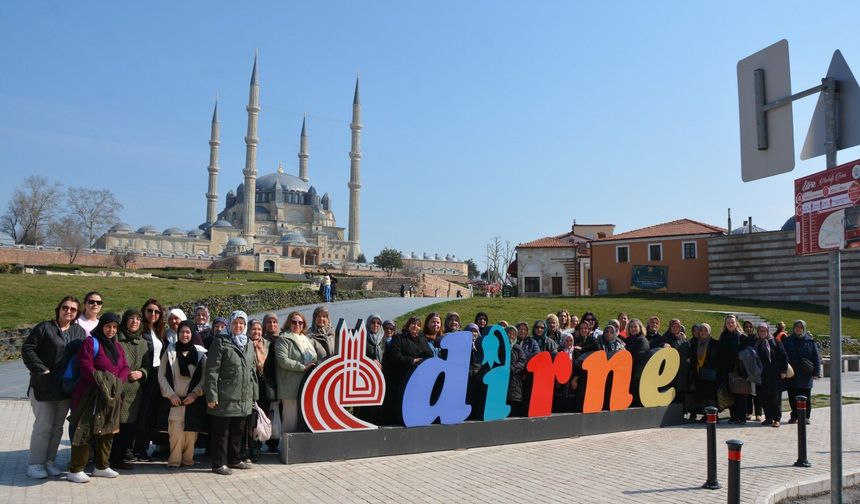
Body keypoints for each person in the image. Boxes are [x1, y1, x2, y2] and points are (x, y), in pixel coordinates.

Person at [22, 295, 86, 479]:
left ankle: (49, 461)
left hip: (65, 388)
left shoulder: (78, 332)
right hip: (43, 386)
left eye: (73, 309)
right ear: (58, 309)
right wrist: (40, 369)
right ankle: (35, 463)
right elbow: (28, 348)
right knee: (43, 426)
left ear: (77, 313)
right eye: (65, 307)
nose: (69, 311)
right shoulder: (44, 328)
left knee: (57, 427)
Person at [67, 313, 129, 483]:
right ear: (101, 326)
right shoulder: (91, 342)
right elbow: (86, 365)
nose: (111, 330)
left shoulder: (117, 347)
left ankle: (101, 466)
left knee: (108, 429)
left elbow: (124, 367)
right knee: (85, 429)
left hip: (111, 395)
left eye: (115, 327)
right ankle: (76, 469)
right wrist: (103, 381)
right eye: (108, 326)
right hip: (91, 394)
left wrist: (117, 383)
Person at [204, 310, 258, 475]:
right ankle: (218, 463)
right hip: (224, 396)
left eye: (241, 323)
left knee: (238, 431)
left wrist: (254, 396)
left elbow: (252, 371)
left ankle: (234, 460)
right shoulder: (221, 341)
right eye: (235, 323)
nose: (238, 326)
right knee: (222, 432)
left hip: (243, 396)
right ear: (230, 324)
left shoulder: (248, 343)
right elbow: (212, 371)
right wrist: (211, 396)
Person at [158, 320, 207, 468]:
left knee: (191, 434)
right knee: (176, 433)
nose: (184, 335)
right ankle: (174, 461)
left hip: (192, 401)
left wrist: (195, 393)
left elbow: (205, 378)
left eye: (188, 332)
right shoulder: (170, 350)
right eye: (182, 332)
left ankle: (187, 460)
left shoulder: (200, 353)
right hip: (175, 400)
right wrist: (170, 394)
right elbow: (161, 375)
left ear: (192, 334)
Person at [109, 308, 153, 470]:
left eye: (138, 319)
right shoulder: (115, 340)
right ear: (125, 321)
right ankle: (105, 459)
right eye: (131, 318)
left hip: (134, 392)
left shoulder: (142, 343)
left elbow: (147, 366)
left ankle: (119, 459)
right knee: (113, 426)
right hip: (117, 389)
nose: (134, 322)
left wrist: (141, 373)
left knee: (128, 427)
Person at [382, 316, 433, 425]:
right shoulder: (399, 338)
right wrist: (412, 360)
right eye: (413, 324)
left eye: (418, 325)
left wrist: (422, 361)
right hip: (402, 377)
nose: (416, 326)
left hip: (418, 377)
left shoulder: (422, 339)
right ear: (408, 325)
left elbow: (429, 354)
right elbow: (395, 356)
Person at [275, 311, 318, 433]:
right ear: (289, 323)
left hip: (306, 384)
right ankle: (286, 447)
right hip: (290, 387)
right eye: (294, 322)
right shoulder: (283, 339)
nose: (297, 325)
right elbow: (283, 360)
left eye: (300, 322)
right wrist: (303, 367)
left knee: (303, 418)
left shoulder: (306, 339)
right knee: (290, 420)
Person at [134, 298, 166, 462]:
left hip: (156, 375)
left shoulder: (159, 331)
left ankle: (142, 448)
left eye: (156, 311)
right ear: (144, 312)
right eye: (150, 311)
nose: (153, 314)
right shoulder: (140, 330)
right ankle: (136, 448)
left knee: (149, 413)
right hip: (143, 375)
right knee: (140, 412)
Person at [783, 320, 822, 424]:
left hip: (805, 374)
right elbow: (783, 356)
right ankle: (794, 415)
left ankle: (806, 417)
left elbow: (816, 358)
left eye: (800, 327)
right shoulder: (787, 341)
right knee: (792, 396)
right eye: (796, 326)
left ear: (804, 328)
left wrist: (816, 373)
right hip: (792, 373)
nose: (798, 329)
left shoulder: (810, 341)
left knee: (806, 396)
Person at [754, 323, 788, 427]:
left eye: (764, 331)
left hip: (775, 374)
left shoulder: (775, 342)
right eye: (760, 331)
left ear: (768, 331)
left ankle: (776, 419)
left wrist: (783, 371)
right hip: (761, 375)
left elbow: (784, 356)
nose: (762, 333)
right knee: (764, 397)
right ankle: (768, 418)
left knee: (775, 398)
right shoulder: (756, 343)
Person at [718, 315, 750, 424]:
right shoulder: (723, 337)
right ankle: (734, 416)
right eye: (728, 323)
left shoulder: (742, 337)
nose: (730, 324)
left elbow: (747, 353)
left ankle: (742, 417)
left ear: (736, 323)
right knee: (730, 394)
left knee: (741, 393)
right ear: (725, 325)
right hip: (727, 370)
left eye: (732, 322)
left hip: (740, 370)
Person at [689, 322, 720, 421]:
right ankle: (706, 415)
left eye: (705, 330)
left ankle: (714, 416)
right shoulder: (696, 343)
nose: (703, 332)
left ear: (709, 331)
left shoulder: (715, 343)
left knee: (711, 396)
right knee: (703, 395)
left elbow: (719, 359)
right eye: (701, 330)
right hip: (699, 374)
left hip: (711, 374)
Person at [506, 326, 526, 416]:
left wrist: (511, 368)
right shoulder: (499, 348)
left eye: (514, 334)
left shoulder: (518, 349)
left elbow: (522, 362)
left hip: (515, 386)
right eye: (510, 333)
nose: (512, 336)